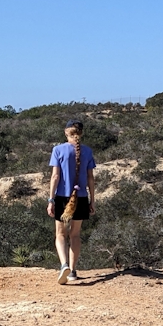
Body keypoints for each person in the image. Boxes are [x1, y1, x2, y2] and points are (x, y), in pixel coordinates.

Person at [47, 118, 97, 284]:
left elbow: (55, 176)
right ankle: (73, 271)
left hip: (62, 197)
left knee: (60, 233)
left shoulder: (58, 150)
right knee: (75, 235)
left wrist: (51, 199)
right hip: (81, 197)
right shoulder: (88, 151)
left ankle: (64, 265)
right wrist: (92, 201)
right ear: (80, 134)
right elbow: (91, 178)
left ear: (66, 132)